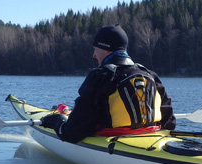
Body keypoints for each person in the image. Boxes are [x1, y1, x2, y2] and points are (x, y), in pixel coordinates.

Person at [40, 24, 175, 143]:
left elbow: (72, 133)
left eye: (95, 49)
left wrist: (58, 121)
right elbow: (169, 123)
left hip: (113, 143)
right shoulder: (150, 75)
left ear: (105, 49)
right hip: (152, 139)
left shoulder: (101, 76)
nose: (94, 55)